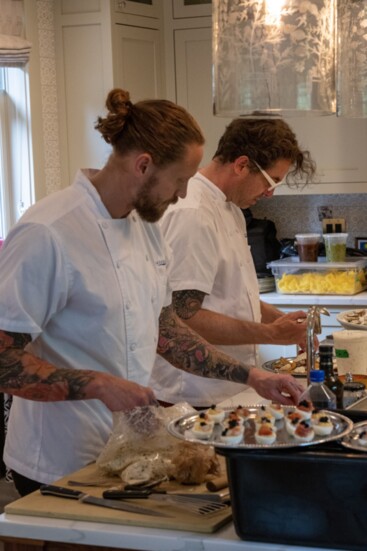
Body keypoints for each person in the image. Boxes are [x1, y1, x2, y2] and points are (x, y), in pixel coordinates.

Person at [0, 90, 304, 497]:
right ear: (143, 165)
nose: (182, 195)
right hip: (58, 459)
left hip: (128, 452)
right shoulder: (49, 231)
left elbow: (167, 332)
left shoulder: (145, 228)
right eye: (179, 181)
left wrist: (252, 375)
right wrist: (97, 384)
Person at [150, 118, 316, 408]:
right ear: (241, 165)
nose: (270, 192)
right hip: (190, 394)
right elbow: (184, 316)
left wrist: (278, 320)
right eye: (270, 180)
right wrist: (271, 334)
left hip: (226, 387)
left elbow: (232, 293)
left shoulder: (231, 208)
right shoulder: (193, 213)